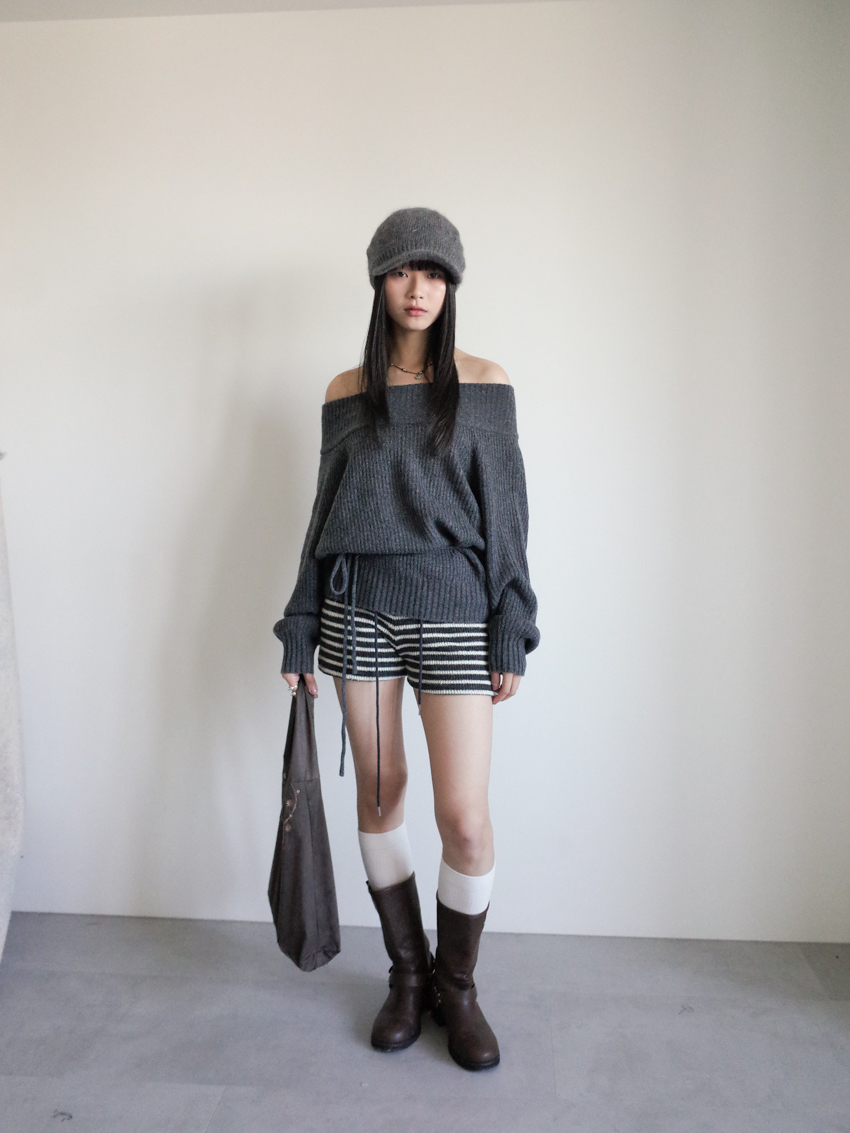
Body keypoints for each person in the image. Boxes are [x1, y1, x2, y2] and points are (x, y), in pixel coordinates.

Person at [273, 207, 539, 1071]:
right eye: (400, 270)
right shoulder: (345, 391)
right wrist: (301, 625)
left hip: (455, 612)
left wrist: (511, 621)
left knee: (463, 817)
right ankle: (409, 973)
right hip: (358, 615)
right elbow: (323, 518)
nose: (417, 287)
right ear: (378, 281)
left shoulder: (485, 383)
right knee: (380, 793)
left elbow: (508, 517)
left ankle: (458, 987)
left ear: (451, 283)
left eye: (433, 272)